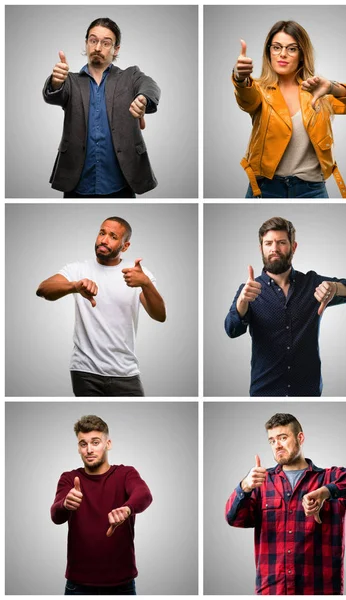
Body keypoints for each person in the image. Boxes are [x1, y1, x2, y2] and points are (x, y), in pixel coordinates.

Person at [225, 412, 346, 595]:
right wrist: (244, 487)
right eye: (272, 441)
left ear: (300, 437)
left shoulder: (329, 477)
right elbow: (234, 519)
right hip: (272, 592)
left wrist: (326, 492)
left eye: (283, 437)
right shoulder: (261, 483)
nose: (277, 445)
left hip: (320, 591)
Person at [224, 216, 346, 396]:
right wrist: (242, 302)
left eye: (281, 242)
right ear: (261, 248)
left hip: (308, 392)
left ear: (293, 247)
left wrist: (336, 288)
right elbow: (232, 330)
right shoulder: (248, 290)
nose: (274, 249)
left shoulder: (313, 284)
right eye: (268, 243)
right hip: (265, 391)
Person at [233, 20, 346, 198]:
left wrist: (333, 88)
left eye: (292, 48)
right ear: (269, 52)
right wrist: (240, 78)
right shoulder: (257, 89)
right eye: (276, 47)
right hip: (265, 187)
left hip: (312, 188)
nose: (282, 54)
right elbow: (246, 100)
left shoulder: (318, 89)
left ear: (302, 54)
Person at [36, 216, 166, 396]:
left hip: (126, 372)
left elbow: (160, 315)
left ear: (125, 246)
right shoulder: (78, 269)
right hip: (85, 371)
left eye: (113, 236)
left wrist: (146, 283)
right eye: (102, 233)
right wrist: (74, 286)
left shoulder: (137, 274)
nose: (104, 240)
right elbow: (43, 289)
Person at [43, 17, 160, 197]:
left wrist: (143, 97)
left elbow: (149, 85)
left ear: (116, 49)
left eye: (106, 43)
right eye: (93, 40)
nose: (98, 48)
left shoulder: (130, 76)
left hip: (122, 180)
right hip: (77, 181)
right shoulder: (71, 81)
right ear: (86, 43)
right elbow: (55, 94)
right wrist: (56, 81)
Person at [51, 415, 152, 595]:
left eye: (95, 442)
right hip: (78, 585)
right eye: (83, 444)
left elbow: (144, 495)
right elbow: (56, 516)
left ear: (108, 444)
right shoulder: (69, 478)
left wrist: (127, 509)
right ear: (78, 448)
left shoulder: (125, 473)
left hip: (122, 585)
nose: (89, 449)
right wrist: (65, 504)